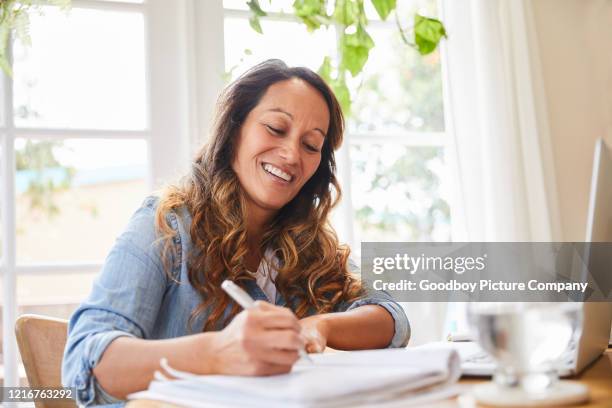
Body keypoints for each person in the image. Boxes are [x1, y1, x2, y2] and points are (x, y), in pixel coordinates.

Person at [62, 59, 410, 407]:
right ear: (234, 129)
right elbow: (86, 364)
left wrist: (322, 326)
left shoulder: (309, 247)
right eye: (275, 128)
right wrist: (215, 354)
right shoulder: (167, 224)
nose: (291, 154)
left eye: (310, 145)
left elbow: (391, 319)